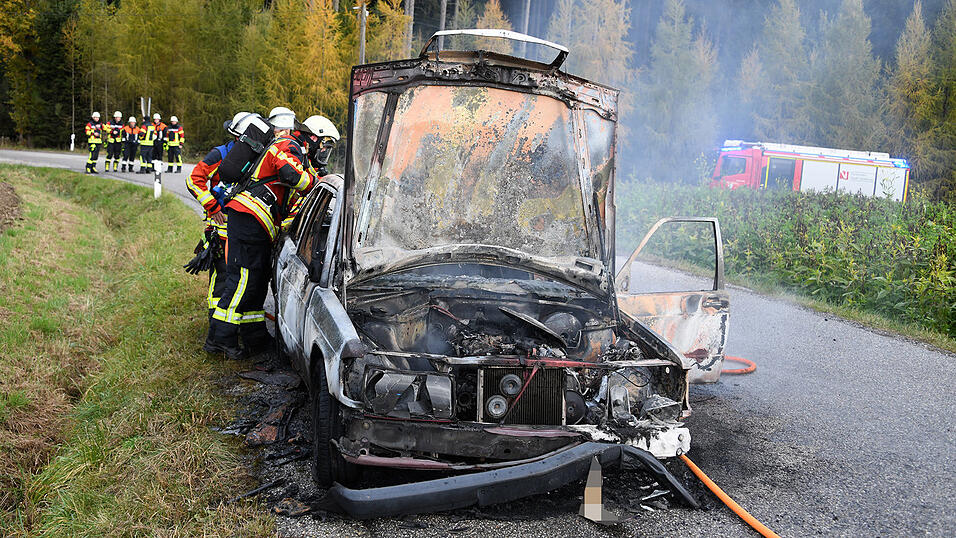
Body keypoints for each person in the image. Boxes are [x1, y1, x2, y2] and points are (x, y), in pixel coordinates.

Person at [204, 108, 320, 359]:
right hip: (250, 219)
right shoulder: (285, 143)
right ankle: (219, 339)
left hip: (252, 221)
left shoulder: (273, 145)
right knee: (242, 279)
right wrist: (313, 184)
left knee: (255, 281)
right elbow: (291, 175)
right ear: (292, 130)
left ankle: (254, 337)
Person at [186, 114, 247, 340]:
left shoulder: (258, 157)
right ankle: (216, 324)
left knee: (239, 278)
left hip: (244, 230)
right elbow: (194, 180)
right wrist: (212, 206)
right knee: (221, 277)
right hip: (220, 230)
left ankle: (234, 325)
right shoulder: (220, 154)